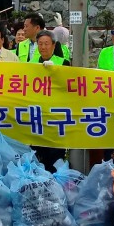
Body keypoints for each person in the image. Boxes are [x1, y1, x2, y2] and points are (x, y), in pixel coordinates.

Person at [32, 30, 70, 172]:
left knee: (55, 157)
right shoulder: (30, 64)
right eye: (40, 44)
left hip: (55, 117)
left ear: (54, 45)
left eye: (46, 44)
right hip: (36, 117)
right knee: (37, 156)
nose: (43, 47)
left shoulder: (63, 62)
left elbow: (68, 87)